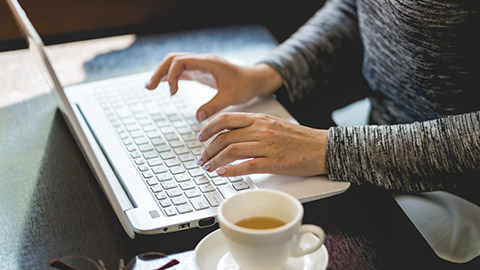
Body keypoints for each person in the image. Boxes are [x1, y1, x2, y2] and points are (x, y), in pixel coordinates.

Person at [145, 0, 479, 262]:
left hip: (458, 193)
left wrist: (328, 150)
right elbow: (354, 8)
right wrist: (267, 73)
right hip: (376, 148)